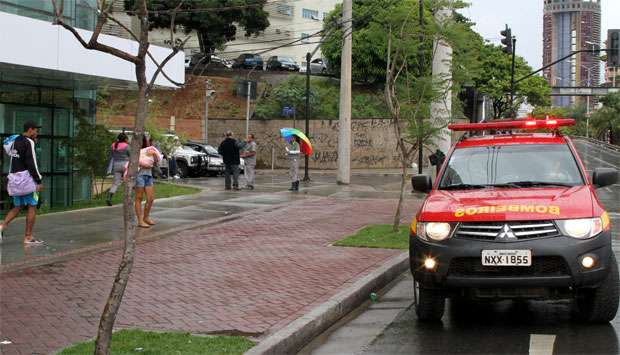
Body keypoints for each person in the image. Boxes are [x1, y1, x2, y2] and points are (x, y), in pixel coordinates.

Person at [0, 121, 44, 244]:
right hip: (27, 180)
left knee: (17, 206)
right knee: (32, 206)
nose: (37, 132)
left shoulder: (16, 140)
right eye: (36, 130)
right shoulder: (28, 142)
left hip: (15, 179)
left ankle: (2, 226)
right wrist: (38, 181)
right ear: (30, 130)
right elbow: (31, 163)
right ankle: (28, 237)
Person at [135, 136, 161, 228]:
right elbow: (134, 163)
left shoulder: (149, 149)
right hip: (139, 175)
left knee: (150, 199)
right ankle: (140, 220)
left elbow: (157, 161)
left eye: (142, 140)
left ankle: (146, 217)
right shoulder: (135, 151)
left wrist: (153, 154)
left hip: (148, 175)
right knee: (139, 198)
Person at [106, 133, 130, 206]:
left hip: (116, 165)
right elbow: (131, 155)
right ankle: (127, 199)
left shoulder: (113, 145)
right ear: (125, 139)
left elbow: (110, 156)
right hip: (125, 165)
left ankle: (109, 197)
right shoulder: (127, 146)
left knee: (116, 183)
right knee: (128, 182)